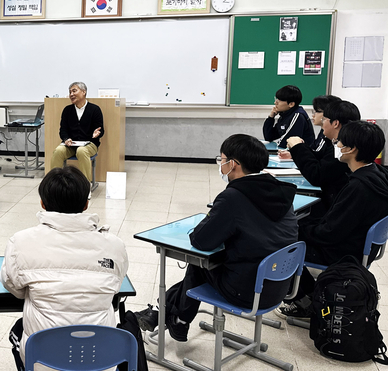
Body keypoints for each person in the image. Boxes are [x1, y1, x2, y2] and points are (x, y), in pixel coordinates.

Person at [135, 134, 298, 342]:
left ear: (234, 164)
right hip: (279, 285)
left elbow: (201, 240)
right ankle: (165, 313)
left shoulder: (234, 197)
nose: (220, 164)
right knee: (211, 262)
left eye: (222, 160)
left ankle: (175, 318)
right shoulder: (280, 191)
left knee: (200, 263)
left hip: (248, 291)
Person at [0, 166, 128, 371]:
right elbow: (115, 287)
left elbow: (14, 287)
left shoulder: (21, 242)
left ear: (42, 203)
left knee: (19, 330)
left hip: (43, 370)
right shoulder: (115, 246)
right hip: (101, 369)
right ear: (86, 204)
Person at [277, 121, 388, 318]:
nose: (336, 146)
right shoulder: (378, 174)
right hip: (363, 248)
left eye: (339, 142)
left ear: (352, 149)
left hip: (345, 253)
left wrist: (294, 228)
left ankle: (306, 301)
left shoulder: (359, 187)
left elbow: (328, 234)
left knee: (280, 241)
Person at [281, 100, 360, 216]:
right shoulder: (337, 143)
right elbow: (320, 159)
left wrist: (298, 147)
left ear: (335, 123)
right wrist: (300, 149)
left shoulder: (343, 150)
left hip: (332, 210)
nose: (322, 124)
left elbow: (317, 174)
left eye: (324, 120)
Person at [50, 82, 104, 183]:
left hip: (90, 144)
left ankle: (85, 187)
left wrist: (97, 134)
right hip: (71, 145)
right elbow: (63, 130)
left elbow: (101, 130)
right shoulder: (67, 110)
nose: (71, 94)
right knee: (58, 151)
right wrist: (66, 139)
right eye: (70, 92)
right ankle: (53, 184)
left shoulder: (94, 109)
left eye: (74, 91)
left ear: (84, 92)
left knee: (81, 151)